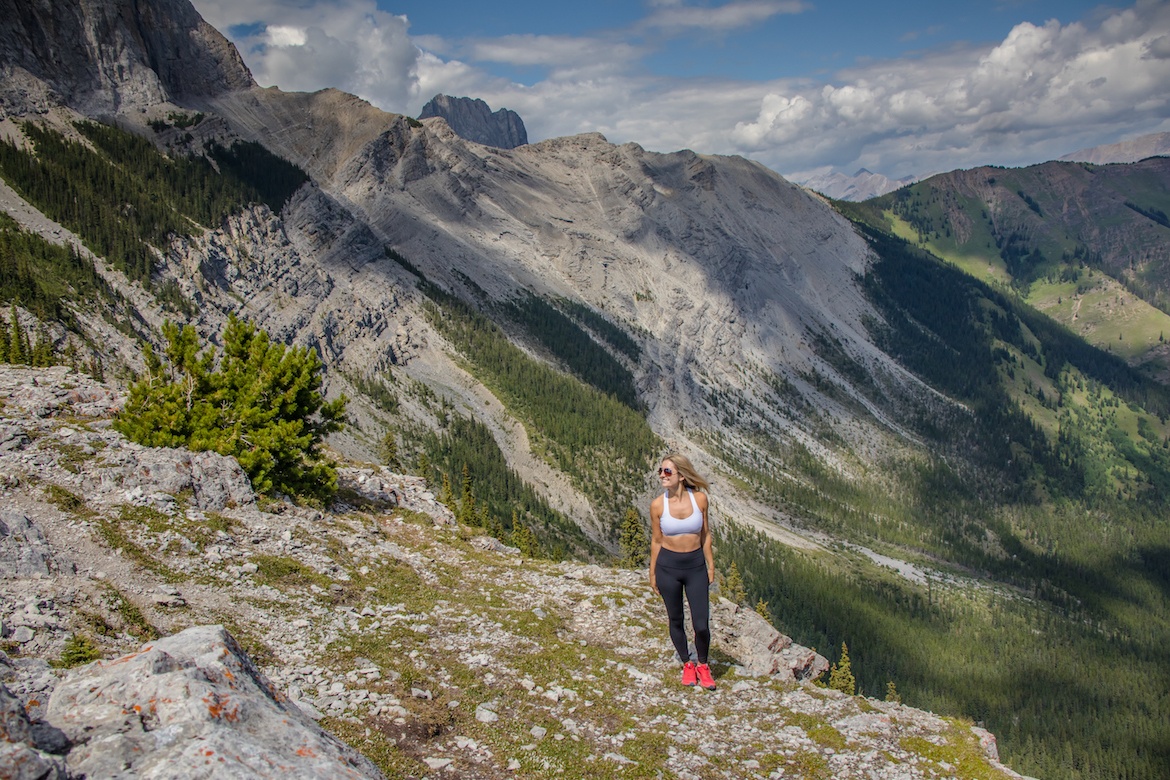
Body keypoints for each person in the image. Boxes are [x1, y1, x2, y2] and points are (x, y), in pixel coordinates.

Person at [649, 453, 716, 690]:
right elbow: (656, 540)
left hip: (695, 565)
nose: (662, 475)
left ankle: (704, 665)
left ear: (681, 475)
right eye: (660, 471)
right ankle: (688, 663)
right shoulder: (658, 505)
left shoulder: (699, 499)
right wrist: (653, 572)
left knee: (701, 623)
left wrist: (710, 564)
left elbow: (705, 535)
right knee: (675, 618)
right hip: (668, 567)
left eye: (667, 471)